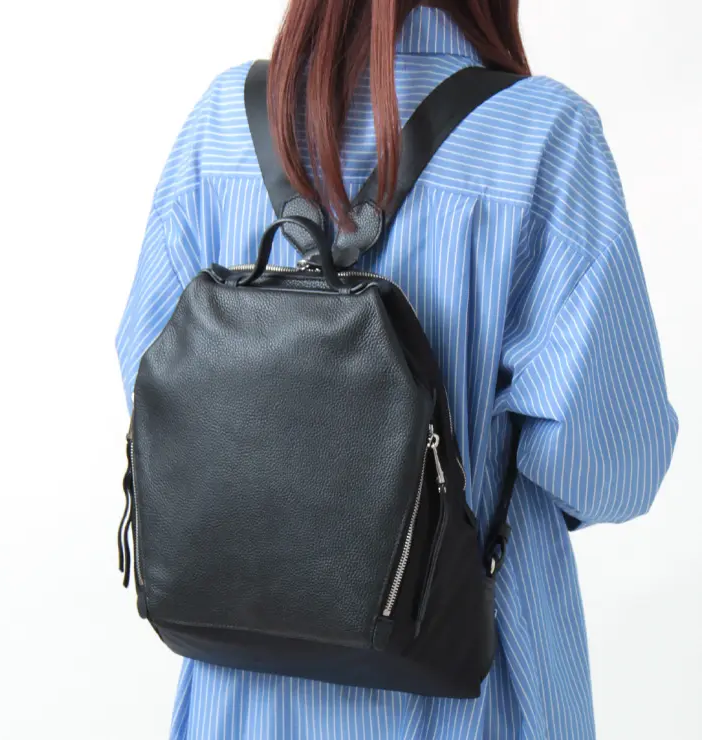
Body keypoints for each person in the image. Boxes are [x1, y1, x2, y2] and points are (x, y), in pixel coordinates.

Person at [116, 2, 678, 737]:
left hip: (241, 688)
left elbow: (151, 381)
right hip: (462, 685)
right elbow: (612, 466)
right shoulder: (543, 135)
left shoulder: (224, 119)